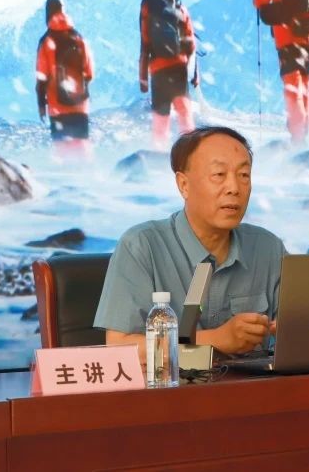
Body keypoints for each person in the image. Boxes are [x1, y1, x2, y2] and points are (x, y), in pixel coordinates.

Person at [94, 126, 286, 361]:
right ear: (183, 185)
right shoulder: (141, 245)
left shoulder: (269, 248)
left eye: (244, 175)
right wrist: (216, 339)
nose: (234, 188)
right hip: (172, 385)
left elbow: (302, 332)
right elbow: (119, 348)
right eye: (219, 174)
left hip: (254, 385)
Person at [253, 0, 309, 147]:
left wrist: (268, 6)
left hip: (286, 34)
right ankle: (305, 129)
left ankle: (298, 137)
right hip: (306, 33)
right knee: (305, 82)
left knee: (292, 83)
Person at [137, 0, 197, 151]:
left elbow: (145, 42)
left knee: (161, 118)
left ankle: (159, 152)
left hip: (159, 68)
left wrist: (143, 78)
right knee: (184, 113)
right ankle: (191, 151)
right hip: (179, 65)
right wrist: (194, 72)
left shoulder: (147, 2)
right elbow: (189, 35)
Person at [35, 0, 95, 159]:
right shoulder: (78, 38)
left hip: (57, 106)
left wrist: (41, 105)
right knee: (82, 150)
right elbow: (89, 73)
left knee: (63, 153)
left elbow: (41, 78)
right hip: (80, 104)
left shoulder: (46, 41)